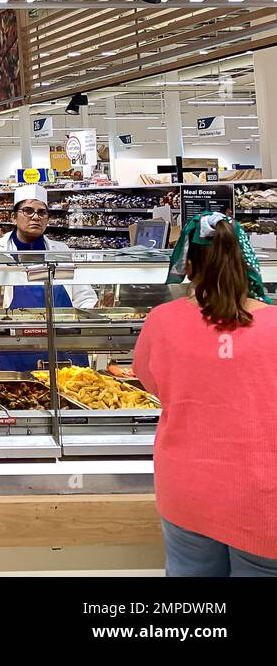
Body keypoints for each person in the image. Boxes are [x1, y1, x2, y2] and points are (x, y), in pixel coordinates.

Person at [133, 213, 277, 576]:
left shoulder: (162, 320)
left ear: (189, 265)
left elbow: (151, 381)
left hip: (187, 488)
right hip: (263, 494)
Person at [0, 184, 97, 371]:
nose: (35, 217)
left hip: (61, 344)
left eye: (41, 212)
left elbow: (83, 295)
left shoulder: (61, 251)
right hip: (12, 345)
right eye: (28, 211)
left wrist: (98, 310)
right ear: (14, 217)